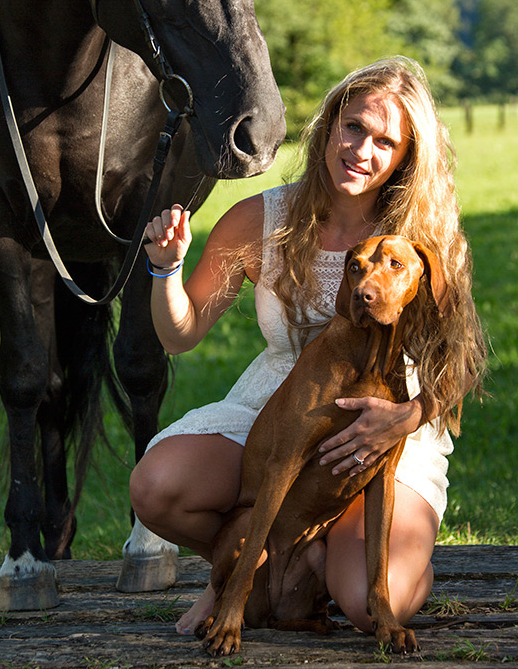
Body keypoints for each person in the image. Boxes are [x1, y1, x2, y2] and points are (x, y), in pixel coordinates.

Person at [129, 56, 487, 636]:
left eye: (384, 141)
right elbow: (181, 334)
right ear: (329, 125)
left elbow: (459, 366)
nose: (361, 150)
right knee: (157, 487)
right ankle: (241, 578)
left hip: (385, 417)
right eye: (353, 127)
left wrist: (406, 417)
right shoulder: (261, 220)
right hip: (280, 405)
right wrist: (166, 270)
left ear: (405, 157)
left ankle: (333, 555)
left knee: (372, 606)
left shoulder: (419, 239)